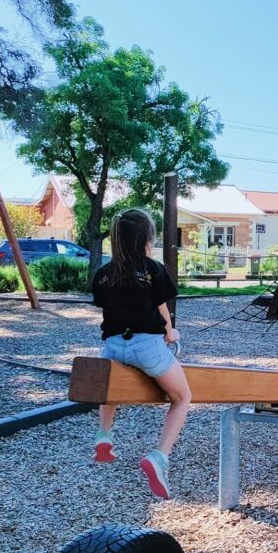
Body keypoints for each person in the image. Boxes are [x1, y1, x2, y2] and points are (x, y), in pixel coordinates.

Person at [90, 209, 191, 500]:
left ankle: (104, 437)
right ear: (148, 238)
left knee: (110, 389)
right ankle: (160, 456)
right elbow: (162, 308)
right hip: (146, 345)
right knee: (182, 397)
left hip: (112, 345)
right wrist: (170, 333)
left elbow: (107, 306)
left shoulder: (104, 274)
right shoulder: (153, 269)